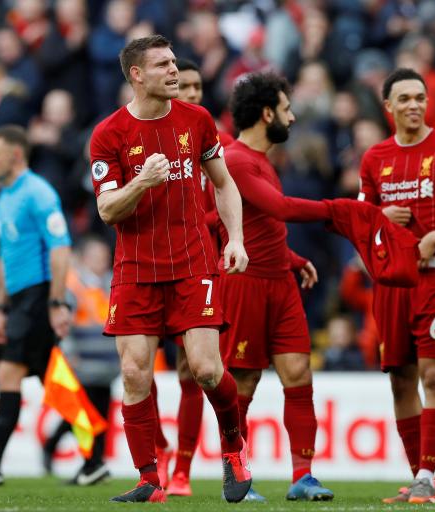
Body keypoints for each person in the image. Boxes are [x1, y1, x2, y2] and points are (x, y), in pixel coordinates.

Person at [89, 35, 251, 504]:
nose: (175, 71)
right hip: (136, 267)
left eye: (175, 62)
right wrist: (142, 181)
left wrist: (235, 238)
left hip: (192, 261)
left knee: (204, 369)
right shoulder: (108, 134)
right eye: (163, 64)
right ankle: (149, 478)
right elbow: (107, 211)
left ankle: (233, 447)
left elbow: (224, 184)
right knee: (135, 372)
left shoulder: (197, 120)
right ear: (137, 75)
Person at [220, 72, 334, 501]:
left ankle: (303, 477)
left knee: (299, 374)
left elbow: (259, 227)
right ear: (267, 113)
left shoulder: (265, 162)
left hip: (280, 283)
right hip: (244, 284)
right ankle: (238, 477)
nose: (292, 115)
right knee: (243, 383)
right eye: (286, 108)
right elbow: (279, 209)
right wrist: (338, 211)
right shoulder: (235, 161)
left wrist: (293, 259)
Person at [357, 68, 435, 503]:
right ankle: (416, 475)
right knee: (400, 378)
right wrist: (380, 219)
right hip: (392, 285)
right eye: (404, 98)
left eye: (420, 97)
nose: (415, 105)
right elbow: (360, 223)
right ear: (388, 107)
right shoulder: (373, 158)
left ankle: (429, 473)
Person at [0, 125, 72, 486]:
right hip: (19, 300)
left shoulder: (38, 193)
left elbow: (60, 248)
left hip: (39, 296)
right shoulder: (6, 196)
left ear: (15, 154)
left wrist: (57, 301)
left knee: (10, 373)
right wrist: (0, 308)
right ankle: (94, 451)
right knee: (51, 380)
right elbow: (4, 258)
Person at [152, 57, 236, 497]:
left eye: (199, 86)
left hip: (196, 265)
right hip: (148, 265)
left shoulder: (210, 143)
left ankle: (182, 470)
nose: (192, 93)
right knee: (136, 366)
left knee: (194, 368)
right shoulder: (146, 135)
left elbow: (227, 202)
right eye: (184, 86)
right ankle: (159, 447)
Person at [42, 235, 119, 486]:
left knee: (100, 416)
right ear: (85, 258)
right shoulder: (74, 285)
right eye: (97, 257)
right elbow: (64, 323)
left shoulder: (111, 283)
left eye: (104, 257)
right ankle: (88, 461)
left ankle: (94, 464)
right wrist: (68, 351)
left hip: (107, 365)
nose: (102, 262)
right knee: (84, 417)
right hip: (83, 363)